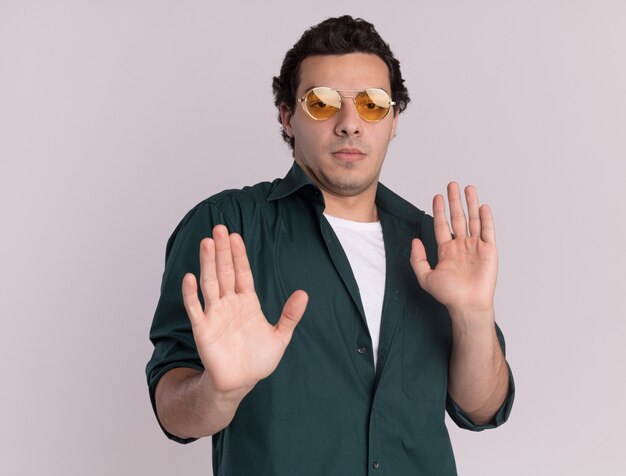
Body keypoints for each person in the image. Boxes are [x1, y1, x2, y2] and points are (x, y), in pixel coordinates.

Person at [146, 15, 514, 475]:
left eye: (372, 104)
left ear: (393, 119)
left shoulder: (434, 245)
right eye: (321, 103)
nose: (349, 124)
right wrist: (219, 390)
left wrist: (474, 316)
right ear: (287, 115)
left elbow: (483, 409)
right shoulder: (227, 227)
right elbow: (172, 407)